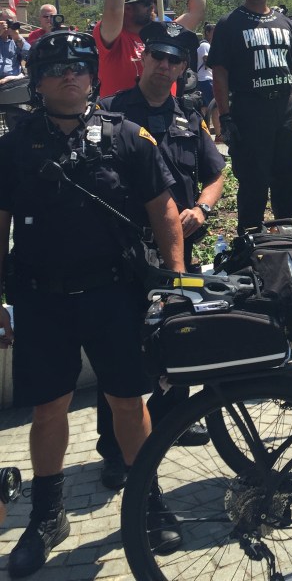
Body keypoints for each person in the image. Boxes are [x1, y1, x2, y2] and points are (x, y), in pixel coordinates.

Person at [0, 29, 185, 578]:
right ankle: (46, 513)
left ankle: (148, 501)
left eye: (79, 65)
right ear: (36, 80)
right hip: (40, 297)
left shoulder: (126, 136)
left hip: (112, 293)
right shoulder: (12, 145)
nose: (69, 74)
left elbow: (165, 212)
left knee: (129, 402)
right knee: (48, 408)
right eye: (56, 67)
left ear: (93, 75)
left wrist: (173, 287)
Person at [93, 21, 226, 487]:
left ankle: (167, 423)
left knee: (178, 341)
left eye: (174, 60)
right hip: (124, 258)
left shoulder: (188, 116)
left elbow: (216, 171)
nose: (164, 65)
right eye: (157, 56)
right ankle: (114, 450)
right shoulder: (108, 113)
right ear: (141, 59)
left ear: (183, 68)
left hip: (177, 254)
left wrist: (203, 208)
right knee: (120, 354)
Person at [208, 0, 292, 229]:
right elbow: (220, 73)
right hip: (249, 111)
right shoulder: (229, 23)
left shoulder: (286, 23)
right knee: (253, 184)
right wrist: (225, 116)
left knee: (288, 180)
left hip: (284, 112)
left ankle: (287, 238)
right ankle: (249, 245)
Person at [93, 0, 207, 96]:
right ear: (127, 8)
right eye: (146, 2)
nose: (152, 7)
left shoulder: (162, 33)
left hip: (163, 115)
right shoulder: (113, 38)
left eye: (153, 1)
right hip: (121, 116)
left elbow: (196, 13)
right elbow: (113, 9)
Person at [0, 8, 29, 87]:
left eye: (12, 22)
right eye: (7, 22)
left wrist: (18, 39)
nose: (9, 26)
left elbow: (30, 55)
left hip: (14, 80)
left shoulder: (15, 38)